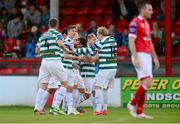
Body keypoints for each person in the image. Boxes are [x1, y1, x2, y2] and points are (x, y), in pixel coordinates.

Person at [127, 2, 160, 119]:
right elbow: (131, 41)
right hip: (139, 54)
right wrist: (135, 57)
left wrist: (155, 56)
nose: (152, 11)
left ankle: (140, 112)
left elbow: (149, 41)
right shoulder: (135, 23)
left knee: (143, 84)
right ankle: (131, 104)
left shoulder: (146, 23)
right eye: (149, 9)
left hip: (146, 55)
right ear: (143, 10)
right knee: (148, 82)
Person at [34, 18, 70, 115]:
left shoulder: (42, 35)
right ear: (57, 25)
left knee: (43, 85)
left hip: (44, 61)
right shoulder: (57, 34)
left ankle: (38, 108)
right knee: (64, 83)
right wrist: (65, 49)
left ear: (49, 25)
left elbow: (36, 51)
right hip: (54, 60)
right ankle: (55, 107)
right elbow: (59, 43)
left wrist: (46, 51)